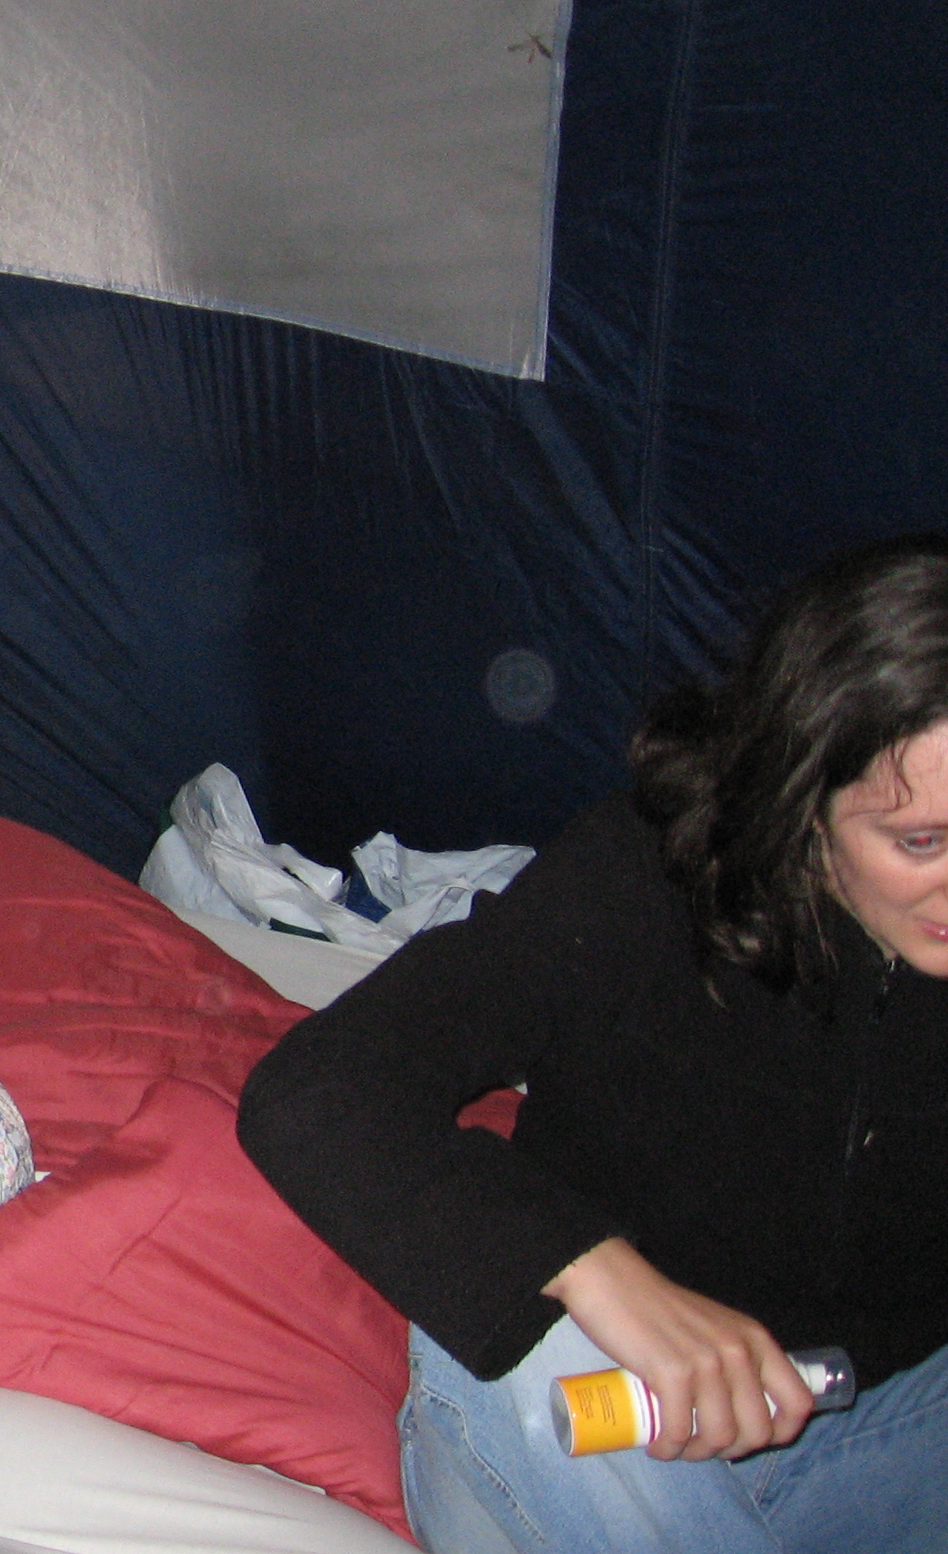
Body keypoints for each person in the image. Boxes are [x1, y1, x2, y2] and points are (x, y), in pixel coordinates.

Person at [238, 532, 948, 1554]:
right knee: (523, 1343)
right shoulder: (644, 877)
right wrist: (597, 1272)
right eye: (919, 842)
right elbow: (318, 1089)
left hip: (857, 1434)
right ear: (800, 801)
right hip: (604, 1436)